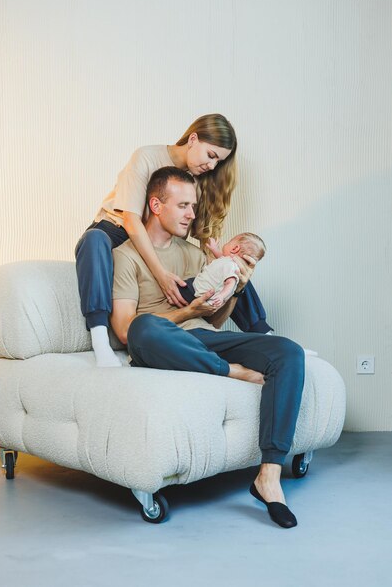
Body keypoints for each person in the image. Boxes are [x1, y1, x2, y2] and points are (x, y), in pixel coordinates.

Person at [111, 167, 305, 528]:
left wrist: (235, 289)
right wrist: (186, 311)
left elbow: (213, 321)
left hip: (205, 338)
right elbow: (124, 331)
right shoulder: (127, 256)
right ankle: (230, 372)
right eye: (183, 205)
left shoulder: (194, 253)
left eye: (193, 205)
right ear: (156, 204)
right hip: (162, 341)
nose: (191, 214)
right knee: (143, 326)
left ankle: (269, 477)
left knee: (288, 352)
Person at [75, 114, 272, 367]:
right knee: (94, 240)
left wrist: (222, 263)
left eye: (218, 162)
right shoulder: (146, 157)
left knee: (229, 261)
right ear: (193, 139)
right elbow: (131, 219)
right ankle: (100, 341)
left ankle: (262, 333)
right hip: (119, 228)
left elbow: (204, 239)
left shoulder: (198, 179)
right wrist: (161, 274)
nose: (212, 166)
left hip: (157, 239)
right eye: (211, 155)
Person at [180, 232, 266, 308]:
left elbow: (230, 283)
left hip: (199, 292)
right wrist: (214, 248)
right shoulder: (227, 261)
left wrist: (222, 296)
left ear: (235, 248)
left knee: (180, 290)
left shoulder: (232, 267)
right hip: (197, 286)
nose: (226, 243)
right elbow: (220, 257)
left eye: (229, 241)